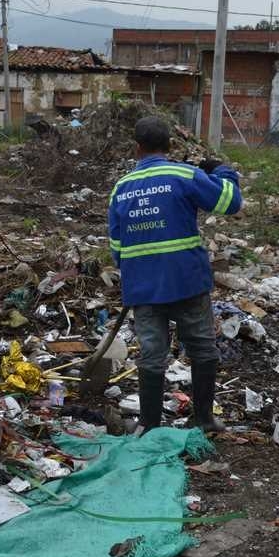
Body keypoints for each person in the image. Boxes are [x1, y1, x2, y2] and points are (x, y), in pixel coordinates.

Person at [108, 116, 242, 433]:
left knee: (152, 355)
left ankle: (149, 425)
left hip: (143, 288)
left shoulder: (121, 188)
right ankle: (205, 419)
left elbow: (117, 248)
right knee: (202, 348)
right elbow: (230, 201)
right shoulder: (184, 175)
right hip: (187, 282)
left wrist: (137, 273)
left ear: (137, 148)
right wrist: (222, 171)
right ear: (170, 145)